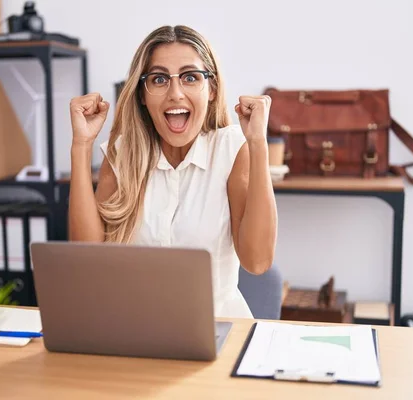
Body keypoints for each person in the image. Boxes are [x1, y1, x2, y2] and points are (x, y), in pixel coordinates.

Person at [67, 25, 278, 318]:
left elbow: (257, 261)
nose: (175, 93)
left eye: (191, 77)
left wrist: (258, 144)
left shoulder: (231, 150)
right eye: (159, 79)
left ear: (212, 89)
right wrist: (80, 146)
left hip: (218, 330)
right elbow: (87, 260)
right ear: (143, 93)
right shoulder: (123, 153)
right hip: (136, 329)